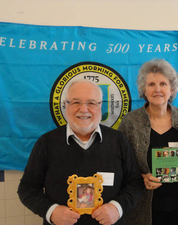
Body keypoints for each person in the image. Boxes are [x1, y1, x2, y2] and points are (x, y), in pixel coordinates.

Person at [18, 79, 144, 225]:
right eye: (76, 102)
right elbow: (27, 188)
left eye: (91, 103)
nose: (83, 109)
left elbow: (135, 183)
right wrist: (51, 211)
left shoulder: (118, 141)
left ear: (100, 106)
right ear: (65, 105)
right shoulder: (46, 143)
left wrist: (117, 208)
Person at [118, 59, 178, 225]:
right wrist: (142, 177)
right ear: (144, 89)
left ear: (171, 89)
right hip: (141, 209)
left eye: (163, 84)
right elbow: (120, 164)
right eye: (151, 84)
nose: (157, 89)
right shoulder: (130, 122)